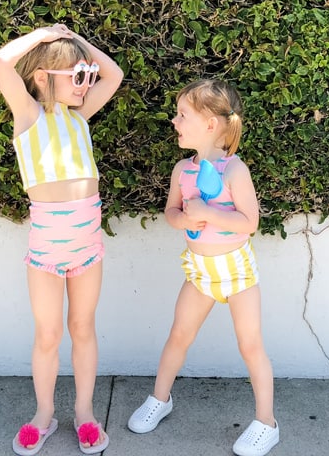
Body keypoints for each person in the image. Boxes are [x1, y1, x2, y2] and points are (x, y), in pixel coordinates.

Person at [127, 79, 279, 456]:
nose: (175, 122)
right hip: (199, 272)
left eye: (182, 115)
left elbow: (250, 222)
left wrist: (210, 212)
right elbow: (171, 210)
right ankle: (160, 399)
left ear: (210, 123)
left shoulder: (233, 171)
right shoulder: (184, 169)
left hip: (237, 273)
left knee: (250, 345)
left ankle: (266, 422)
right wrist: (182, 221)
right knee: (178, 335)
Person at [0, 23, 123, 456]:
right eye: (78, 76)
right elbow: (0, 62)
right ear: (44, 77)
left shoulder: (79, 118)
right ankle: (43, 414)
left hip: (87, 246)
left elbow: (115, 75)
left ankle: (84, 412)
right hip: (46, 250)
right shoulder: (29, 117)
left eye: (87, 76)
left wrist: (79, 45)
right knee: (48, 335)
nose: (87, 83)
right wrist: (44, 37)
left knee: (83, 328)